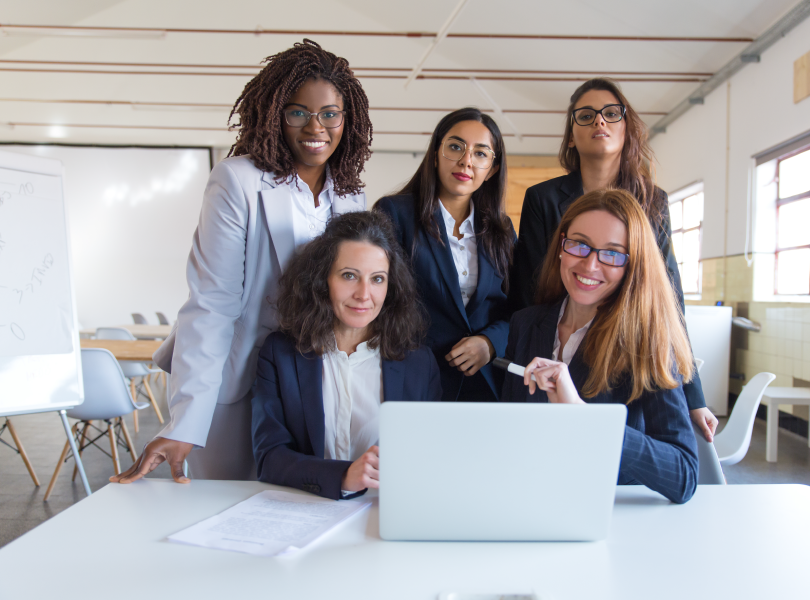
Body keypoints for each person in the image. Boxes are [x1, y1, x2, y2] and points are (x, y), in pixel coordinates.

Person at [110, 40, 373, 484]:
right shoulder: (237, 181)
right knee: (225, 509)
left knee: (302, 505)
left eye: (330, 114)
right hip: (238, 380)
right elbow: (213, 303)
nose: (317, 127)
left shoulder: (350, 196)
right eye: (298, 112)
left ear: (347, 120)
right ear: (273, 114)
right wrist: (187, 421)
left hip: (313, 380)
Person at [507, 77, 718, 441]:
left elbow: (670, 299)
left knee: (614, 446)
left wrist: (692, 394)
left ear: (626, 128)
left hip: (624, 344)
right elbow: (530, 288)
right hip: (555, 345)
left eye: (610, 114)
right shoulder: (542, 198)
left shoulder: (652, 201)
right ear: (571, 135)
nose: (599, 122)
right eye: (585, 116)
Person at [502, 190, 699, 504]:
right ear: (561, 248)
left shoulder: (647, 342)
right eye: (579, 245)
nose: (590, 264)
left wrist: (585, 418)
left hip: (608, 513)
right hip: (529, 501)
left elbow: (684, 475)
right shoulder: (525, 324)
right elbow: (510, 430)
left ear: (631, 266)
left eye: (612, 253)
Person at [252, 211, 440, 500]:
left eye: (377, 279)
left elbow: (431, 457)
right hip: (305, 509)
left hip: (386, 512)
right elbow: (269, 458)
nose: (364, 294)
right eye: (349, 276)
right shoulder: (280, 353)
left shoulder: (419, 363)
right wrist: (342, 477)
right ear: (322, 279)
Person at [375, 108, 516, 402]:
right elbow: (382, 302)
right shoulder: (394, 213)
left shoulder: (501, 229)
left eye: (481, 154)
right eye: (455, 147)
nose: (466, 160)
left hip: (486, 384)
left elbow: (519, 307)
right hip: (415, 379)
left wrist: (490, 342)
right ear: (437, 152)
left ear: (491, 169)